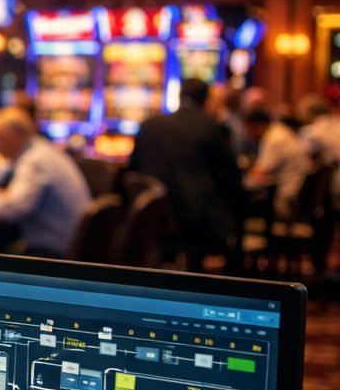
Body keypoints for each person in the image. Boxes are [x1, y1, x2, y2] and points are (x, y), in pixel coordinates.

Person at [128, 77, 245, 269]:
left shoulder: (149, 126)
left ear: (179, 96)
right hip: (198, 220)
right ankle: (232, 283)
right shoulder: (212, 127)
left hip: (153, 216)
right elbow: (232, 176)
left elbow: (133, 171)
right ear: (206, 100)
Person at [0, 106, 92, 258]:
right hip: (68, 245)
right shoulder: (42, 149)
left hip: (53, 252)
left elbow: (16, 208)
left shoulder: (35, 160)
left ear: (9, 138)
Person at [243, 106, 312, 218]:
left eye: (249, 128)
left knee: (238, 200)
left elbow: (261, 172)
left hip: (288, 197)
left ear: (258, 125)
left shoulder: (273, 138)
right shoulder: (279, 130)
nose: (248, 134)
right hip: (299, 192)